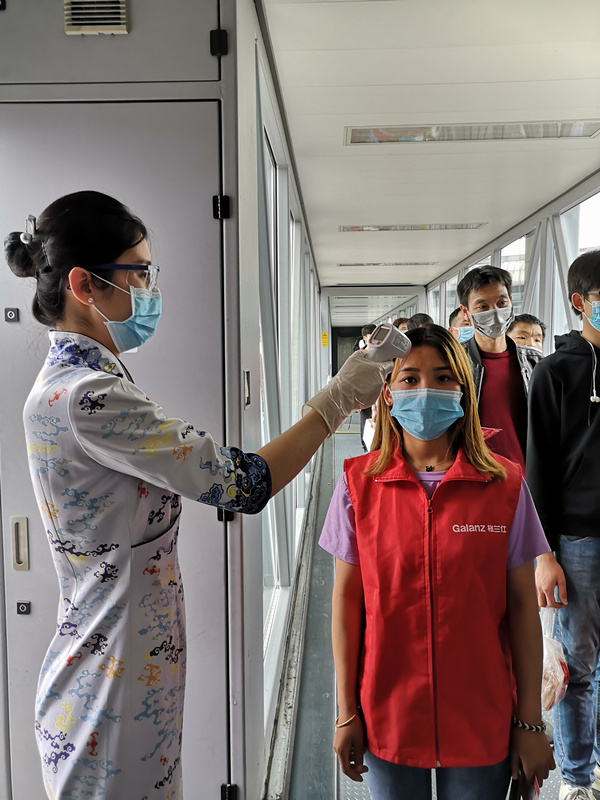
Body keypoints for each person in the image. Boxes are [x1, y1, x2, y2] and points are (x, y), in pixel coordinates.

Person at [4, 191, 391, 800]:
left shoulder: (79, 385)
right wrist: (338, 399)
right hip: (111, 688)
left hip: (121, 664)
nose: (151, 289)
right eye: (139, 273)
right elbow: (244, 482)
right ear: (84, 285)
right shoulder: (88, 398)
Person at [319, 325, 554, 800]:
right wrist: (346, 712)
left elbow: (522, 609)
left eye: (443, 377)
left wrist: (529, 721)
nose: (425, 389)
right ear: (387, 395)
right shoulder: (357, 486)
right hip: (387, 713)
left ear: (463, 392)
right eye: (409, 378)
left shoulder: (504, 485)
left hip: (482, 714)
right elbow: (347, 603)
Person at [526, 250, 600, 800]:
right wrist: (544, 554)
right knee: (578, 666)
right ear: (580, 302)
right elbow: (539, 470)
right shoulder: (555, 372)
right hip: (578, 543)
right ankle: (576, 778)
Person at [457, 266, 542, 470]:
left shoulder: (535, 363)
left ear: (511, 302)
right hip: (476, 474)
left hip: (526, 476)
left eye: (501, 303)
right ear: (465, 312)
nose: (494, 312)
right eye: (482, 306)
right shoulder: (454, 362)